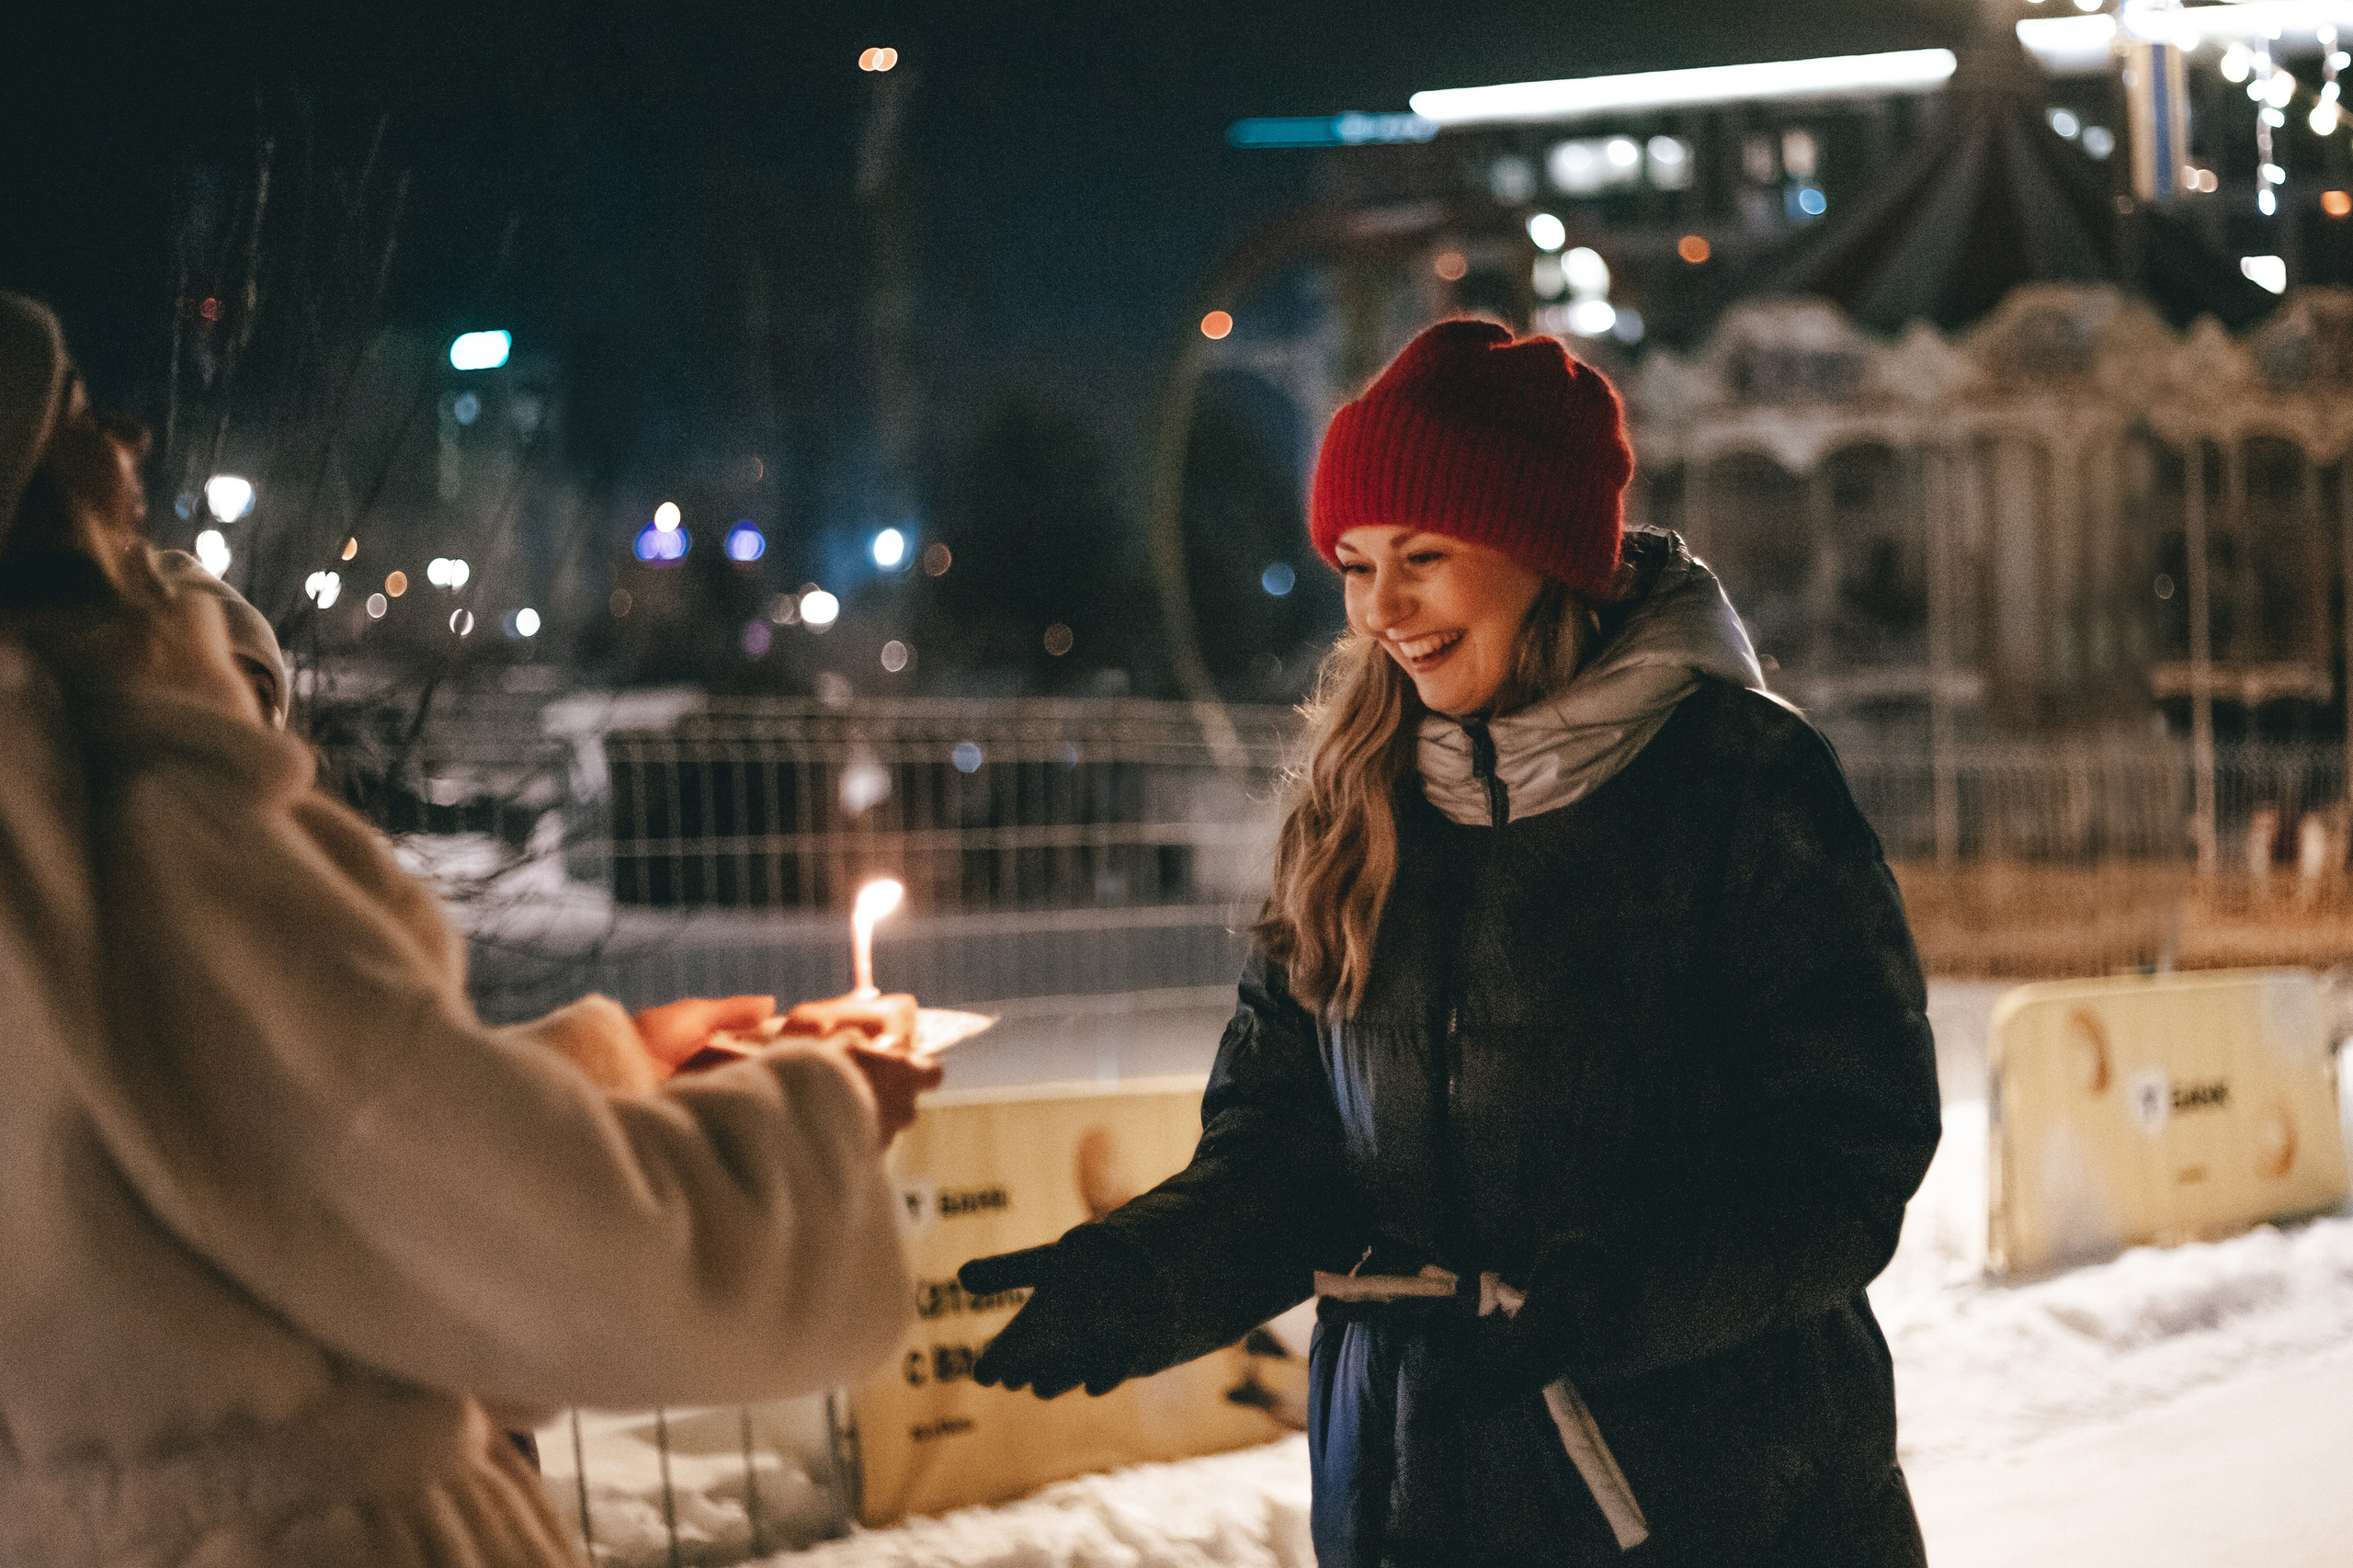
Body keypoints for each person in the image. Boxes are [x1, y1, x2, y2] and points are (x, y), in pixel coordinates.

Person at [960, 320, 1943, 1566]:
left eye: (1424, 555)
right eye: (1356, 564)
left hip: (1718, 1494)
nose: (1383, 608)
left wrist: (1620, 1292)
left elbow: (1850, 1147)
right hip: (1414, 1492)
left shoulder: (1738, 781)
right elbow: (1288, 1148)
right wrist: (1155, 1274)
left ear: (1542, 552)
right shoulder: (1352, 800)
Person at [0, 290, 941, 1568]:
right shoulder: (140, 825)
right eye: (72, 417)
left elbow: (278, 1188)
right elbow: (514, 1227)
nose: (128, 439)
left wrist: (620, 1065)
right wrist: (818, 1117)